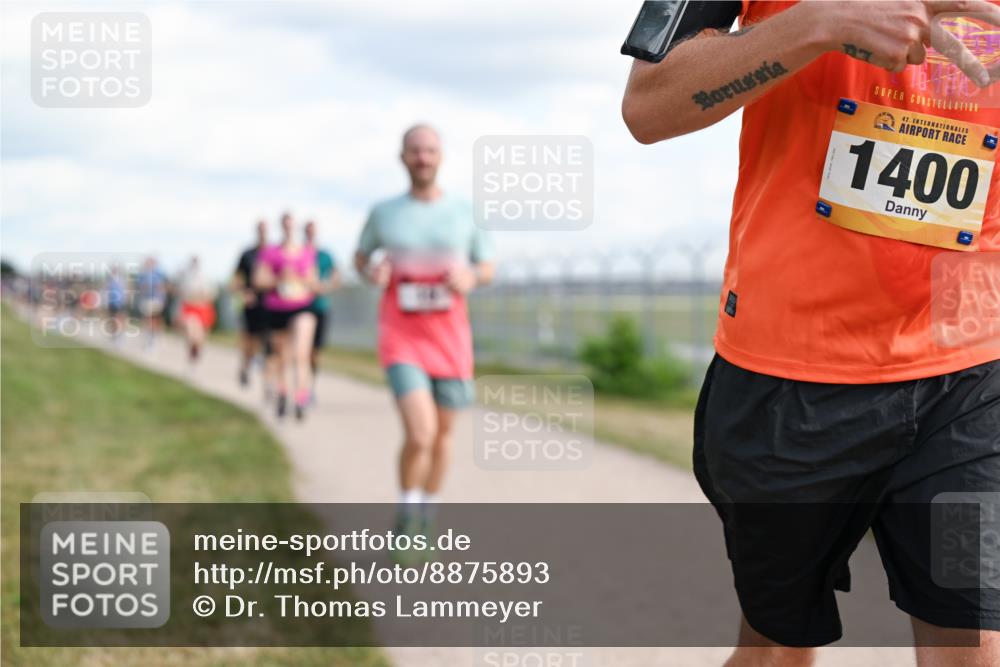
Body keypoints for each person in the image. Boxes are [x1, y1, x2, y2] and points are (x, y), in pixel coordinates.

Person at [622, 2, 999, 665]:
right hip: (791, 373)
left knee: (972, 645)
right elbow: (650, 109)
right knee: (776, 649)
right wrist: (822, 23)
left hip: (972, 368)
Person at [355, 124, 495, 548]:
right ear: (402, 157)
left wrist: (470, 276)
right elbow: (362, 256)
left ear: (441, 156)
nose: (423, 157)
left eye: (430, 150)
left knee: (442, 437)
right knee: (420, 433)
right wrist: (371, 270)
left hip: (450, 338)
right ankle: (407, 512)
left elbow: (486, 266)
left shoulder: (464, 212)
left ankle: (427, 514)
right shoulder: (384, 213)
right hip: (401, 335)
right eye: (415, 150)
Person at [253, 212, 318, 420]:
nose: (289, 228)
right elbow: (258, 281)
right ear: (281, 226)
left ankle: (301, 396)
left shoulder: (306, 253)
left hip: (302, 306)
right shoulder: (270, 252)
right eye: (285, 224)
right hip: (277, 307)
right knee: (281, 355)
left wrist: (298, 278)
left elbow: (314, 283)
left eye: (292, 224)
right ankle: (283, 391)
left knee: (301, 352)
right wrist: (279, 278)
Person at [304, 219, 342, 401]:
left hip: (320, 307)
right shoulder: (297, 253)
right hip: (299, 308)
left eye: (313, 230)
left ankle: (309, 386)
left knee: (314, 352)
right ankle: (297, 388)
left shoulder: (326, 255)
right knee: (299, 350)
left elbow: (336, 277)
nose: (310, 233)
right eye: (307, 230)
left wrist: (323, 286)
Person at [232, 220, 270, 387]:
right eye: (260, 229)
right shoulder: (247, 254)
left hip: (270, 305)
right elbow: (236, 278)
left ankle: (268, 378)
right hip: (250, 304)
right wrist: (243, 293)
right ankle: (246, 367)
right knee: (249, 340)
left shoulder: (273, 253)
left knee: (268, 340)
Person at [177, 256, 217, 365]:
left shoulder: (205, 277)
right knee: (191, 334)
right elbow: (182, 293)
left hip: (203, 308)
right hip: (190, 308)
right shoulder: (186, 277)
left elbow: (211, 294)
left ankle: (195, 353)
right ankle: (191, 353)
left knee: (200, 337)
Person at [136, 256, 167, 348]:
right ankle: (149, 338)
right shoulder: (143, 274)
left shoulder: (159, 274)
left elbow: (162, 287)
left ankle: (154, 338)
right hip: (147, 300)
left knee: (155, 319)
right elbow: (140, 287)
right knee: (147, 319)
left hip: (156, 300)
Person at [103, 265, 126, 342]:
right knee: (112, 320)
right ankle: (114, 334)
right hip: (111, 303)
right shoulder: (109, 281)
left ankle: (119, 335)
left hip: (120, 303)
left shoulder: (121, 280)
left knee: (119, 319)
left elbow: (124, 292)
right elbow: (106, 293)